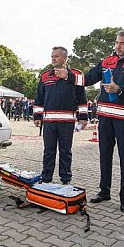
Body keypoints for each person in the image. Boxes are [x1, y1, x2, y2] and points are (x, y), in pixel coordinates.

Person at [57, 29, 124, 213]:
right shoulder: (107, 61)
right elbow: (87, 79)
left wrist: (119, 89)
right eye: (116, 42)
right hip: (105, 117)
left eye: (122, 43)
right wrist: (68, 75)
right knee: (104, 155)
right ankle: (104, 191)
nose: (117, 46)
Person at [34, 46, 88, 185]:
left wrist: (83, 119)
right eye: (52, 56)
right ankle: (46, 179)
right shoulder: (45, 76)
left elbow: (82, 99)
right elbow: (39, 98)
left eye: (56, 56)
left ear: (65, 58)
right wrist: (37, 116)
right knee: (48, 152)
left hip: (67, 123)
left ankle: (66, 180)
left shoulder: (76, 75)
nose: (53, 58)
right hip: (49, 122)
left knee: (65, 152)